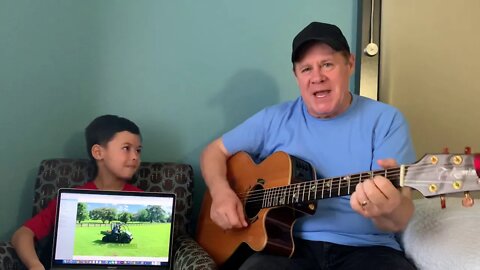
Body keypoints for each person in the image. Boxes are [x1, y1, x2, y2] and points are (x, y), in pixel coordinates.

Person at [200, 22, 417, 270]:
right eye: (306, 69)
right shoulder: (274, 119)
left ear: (350, 64)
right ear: (296, 76)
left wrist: (389, 208)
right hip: (284, 247)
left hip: (367, 249)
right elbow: (213, 152)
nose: (317, 77)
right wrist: (221, 192)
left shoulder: (386, 120)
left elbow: (398, 219)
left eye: (327, 64)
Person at [11, 114, 143, 270]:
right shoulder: (71, 199)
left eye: (138, 150)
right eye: (126, 148)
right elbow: (23, 234)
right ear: (98, 152)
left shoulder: (142, 199)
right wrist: (35, 265)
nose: (135, 156)